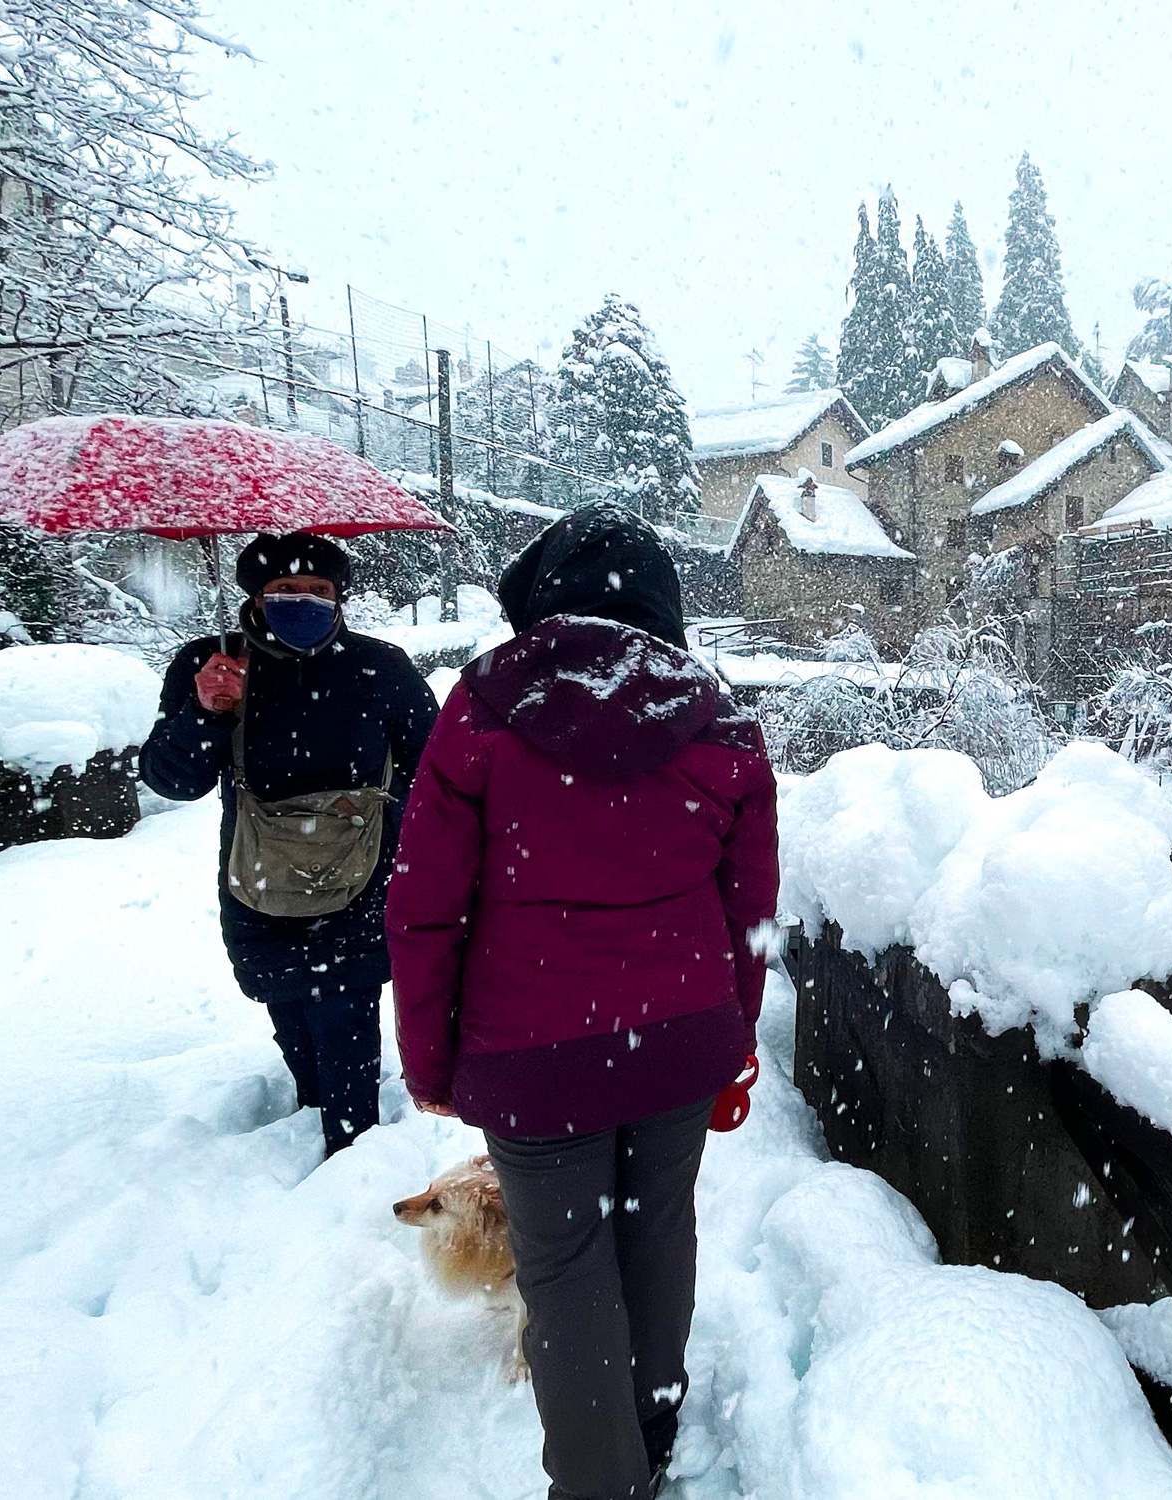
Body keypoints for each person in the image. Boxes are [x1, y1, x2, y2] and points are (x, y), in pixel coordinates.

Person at [387, 504, 778, 1500]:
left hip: (531, 1055)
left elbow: (425, 905)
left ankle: (599, 1485)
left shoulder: (479, 712)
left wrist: (432, 1060)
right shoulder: (719, 719)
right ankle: (650, 1438)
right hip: (679, 1043)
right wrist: (731, 1040)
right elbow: (748, 908)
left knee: (562, 1269)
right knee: (657, 1237)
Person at [143, 531, 438, 1158]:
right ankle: (313, 1106)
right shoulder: (212, 663)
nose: (301, 601)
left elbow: (432, 766)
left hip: (363, 876)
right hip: (259, 876)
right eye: (283, 590)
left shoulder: (380, 667)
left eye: (317, 591)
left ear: (340, 598)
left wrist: (395, 831)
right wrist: (208, 712)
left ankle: (352, 1155)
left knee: (345, 1007)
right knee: (286, 1001)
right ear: (256, 594)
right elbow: (173, 780)